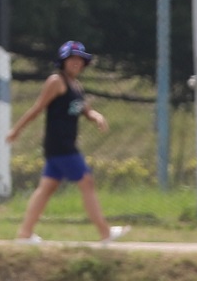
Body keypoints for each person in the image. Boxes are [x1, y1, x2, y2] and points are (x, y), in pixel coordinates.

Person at [16, 42, 120, 242]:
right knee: (87, 182)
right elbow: (38, 108)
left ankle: (24, 234)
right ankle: (105, 233)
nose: (76, 63)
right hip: (60, 145)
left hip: (61, 146)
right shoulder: (56, 81)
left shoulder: (76, 86)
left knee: (46, 188)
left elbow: (85, 110)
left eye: (80, 59)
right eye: (72, 59)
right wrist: (16, 131)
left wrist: (96, 116)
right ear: (63, 61)